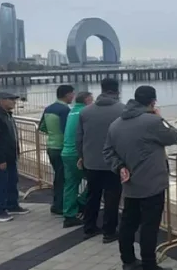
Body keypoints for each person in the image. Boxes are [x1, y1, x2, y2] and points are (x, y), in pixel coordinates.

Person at [103, 85, 177, 270]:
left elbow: (107, 151)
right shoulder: (151, 122)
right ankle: (149, 265)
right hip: (152, 184)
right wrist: (159, 117)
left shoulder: (116, 124)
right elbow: (172, 136)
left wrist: (119, 167)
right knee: (149, 227)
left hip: (130, 185)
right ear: (152, 101)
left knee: (128, 224)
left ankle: (128, 261)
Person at [77, 78, 124, 242]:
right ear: (117, 91)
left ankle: (89, 228)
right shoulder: (122, 110)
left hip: (91, 161)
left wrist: (81, 156)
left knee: (92, 195)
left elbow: (79, 138)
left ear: (101, 89)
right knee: (112, 198)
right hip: (113, 163)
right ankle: (109, 232)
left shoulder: (85, 111)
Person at [0, 92, 30, 222]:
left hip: (10, 155)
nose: (14, 101)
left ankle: (12, 205)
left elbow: (11, 135)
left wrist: (16, 151)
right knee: (0, 183)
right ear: (2, 100)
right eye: (11, 99)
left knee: (12, 180)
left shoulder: (7, 115)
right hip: (1, 157)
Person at [39, 84, 75, 215]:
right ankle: (59, 205)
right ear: (67, 95)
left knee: (58, 176)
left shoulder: (49, 108)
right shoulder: (65, 110)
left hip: (51, 146)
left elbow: (42, 127)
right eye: (72, 94)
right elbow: (68, 130)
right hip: (61, 148)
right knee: (64, 178)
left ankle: (57, 203)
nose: (73, 97)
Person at [61, 91, 93, 228]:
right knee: (95, 180)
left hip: (66, 152)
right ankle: (82, 202)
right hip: (77, 153)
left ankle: (69, 214)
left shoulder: (72, 111)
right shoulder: (86, 112)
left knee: (71, 184)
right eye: (92, 99)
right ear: (86, 100)